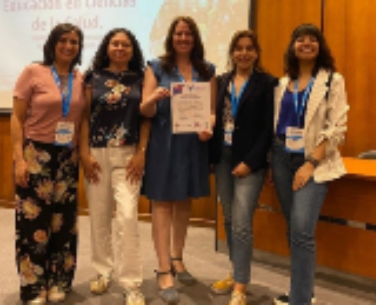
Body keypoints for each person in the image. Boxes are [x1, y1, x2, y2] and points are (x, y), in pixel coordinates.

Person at [140, 16, 216, 304]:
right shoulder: (157, 67)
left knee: (184, 201)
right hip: (163, 143)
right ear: (171, 37)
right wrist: (154, 99)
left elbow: (210, 111)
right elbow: (144, 110)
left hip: (192, 144)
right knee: (162, 203)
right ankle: (163, 269)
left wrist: (209, 126)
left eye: (188, 34)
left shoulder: (206, 70)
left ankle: (177, 258)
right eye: (178, 34)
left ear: (194, 38)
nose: (183, 38)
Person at [270, 24, 349, 305]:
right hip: (281, 158)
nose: (306, 44)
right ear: (292, 47)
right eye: (300, 40)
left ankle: (300, 299)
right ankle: (302, 291)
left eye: (312, 40)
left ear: (320, 46)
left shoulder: (332, 81)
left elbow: (338, 129)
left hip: (313, 162)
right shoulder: (282, 83)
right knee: (293, 228)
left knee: (302, 229)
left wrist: (311, 162)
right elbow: (276, 124)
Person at [11, 23, 85, 304]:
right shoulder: (33, 72)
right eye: (63, 40)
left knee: (63, 223)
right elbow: (17, 118)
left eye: (74, 42)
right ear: (52, 44)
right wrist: (18, 159)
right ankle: (33, 285)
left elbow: (83, 120)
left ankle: (59, 280)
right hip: (36, 155)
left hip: (67, 156)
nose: (68, 46)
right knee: (33, 221)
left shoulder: (80, 79)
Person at [79, 28, 149, 305]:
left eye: (126, 44)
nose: (120, 48)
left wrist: (142, 152)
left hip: (128, 155)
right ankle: (102, 271)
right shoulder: (91, 77)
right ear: (106, 47)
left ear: (133, 50)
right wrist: (84, 153)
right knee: (98, 215)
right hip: (95, 154)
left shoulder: (141, 78)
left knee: (128, 217)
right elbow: (83, 117)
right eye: (115, 43)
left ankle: (132, 284)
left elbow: (146, 119)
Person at [208, 30, 276, 305]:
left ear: (256, 52)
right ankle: (235, 271)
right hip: (223, 158)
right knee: (228, 219)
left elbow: (267, 129)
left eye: (249, 48)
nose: (244, 53)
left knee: (241, 222)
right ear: (232, 52)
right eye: (239, 48)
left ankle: (240, 285)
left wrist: (251, 162)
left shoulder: (267, 83)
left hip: (251, 162)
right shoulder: (221, 81)